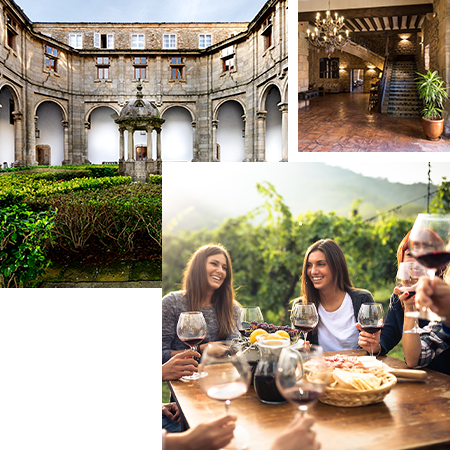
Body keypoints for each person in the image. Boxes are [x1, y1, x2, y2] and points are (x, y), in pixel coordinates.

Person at [357, 231, 449, 374]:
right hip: (420, 381)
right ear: (402, 259)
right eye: (410, 254)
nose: (416, 260)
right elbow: (390, 332)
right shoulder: (401, 293)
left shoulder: (443, 297)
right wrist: (377, 346)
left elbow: (415, 358)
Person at [162, 243, 240, 365]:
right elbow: (163, 354)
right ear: (198, 267)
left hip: (223, 378)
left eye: (224, 268)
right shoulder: (172, 303)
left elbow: (236, 348)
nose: (220, 271)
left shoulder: (231, 307)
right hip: (184, 381)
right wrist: (202, 350)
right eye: (214, 264)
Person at [295, 239, 374, 352]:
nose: (313, 271)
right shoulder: (302, 306)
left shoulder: (362, 300)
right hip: (321, 368)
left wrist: (374, 344)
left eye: (321, 264)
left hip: (357, 367)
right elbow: (299, 346)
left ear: (336, 266)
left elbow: (377, 345)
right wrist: (301, 349)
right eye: (309, 265)